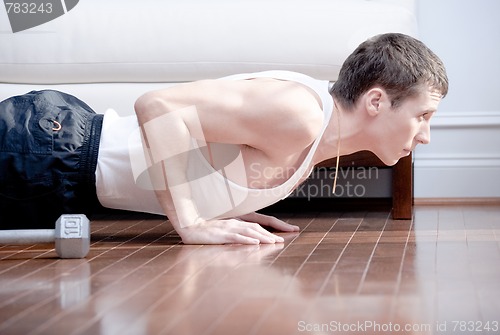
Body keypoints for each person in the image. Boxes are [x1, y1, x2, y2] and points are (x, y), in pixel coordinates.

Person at [0, 33, 448, 244]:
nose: (425, 135)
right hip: (47, 148)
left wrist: (231, 205)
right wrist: (192, 222)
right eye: (422, 115)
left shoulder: (316, 147)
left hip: (61, 181)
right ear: (376, 101)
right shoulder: (302, 114)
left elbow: (202, 152)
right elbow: (158, 107)